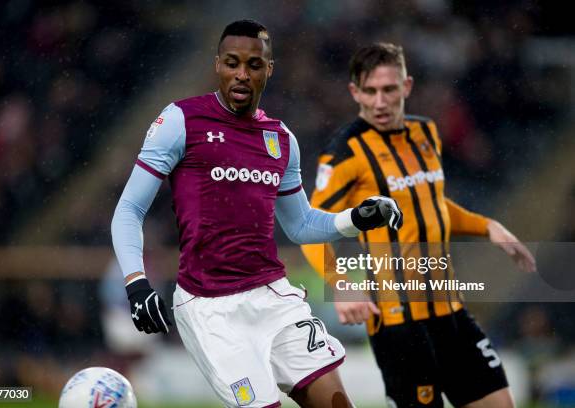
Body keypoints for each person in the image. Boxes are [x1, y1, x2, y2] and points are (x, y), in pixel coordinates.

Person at [111, 21, 402, 408]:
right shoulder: (182, 121)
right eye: (232, 63)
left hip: (273, 298)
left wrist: (355, 219)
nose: (242, 74)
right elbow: (129, 209)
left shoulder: (281, 139)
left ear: (270, 68)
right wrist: (136, 283)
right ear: (218, 65)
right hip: (209, 308)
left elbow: (299, 224)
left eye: (253, 64)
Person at [301, 43, 536, 408]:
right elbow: (310, 226)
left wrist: (489, 226)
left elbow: (429, 204)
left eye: (389, 90)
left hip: (450, 311)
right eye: (370, 91)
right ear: (355, 92)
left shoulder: (425, 133)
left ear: (406, 87)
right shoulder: (345, 151)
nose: (380, 102)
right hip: (398, 324)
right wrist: (340, 284)